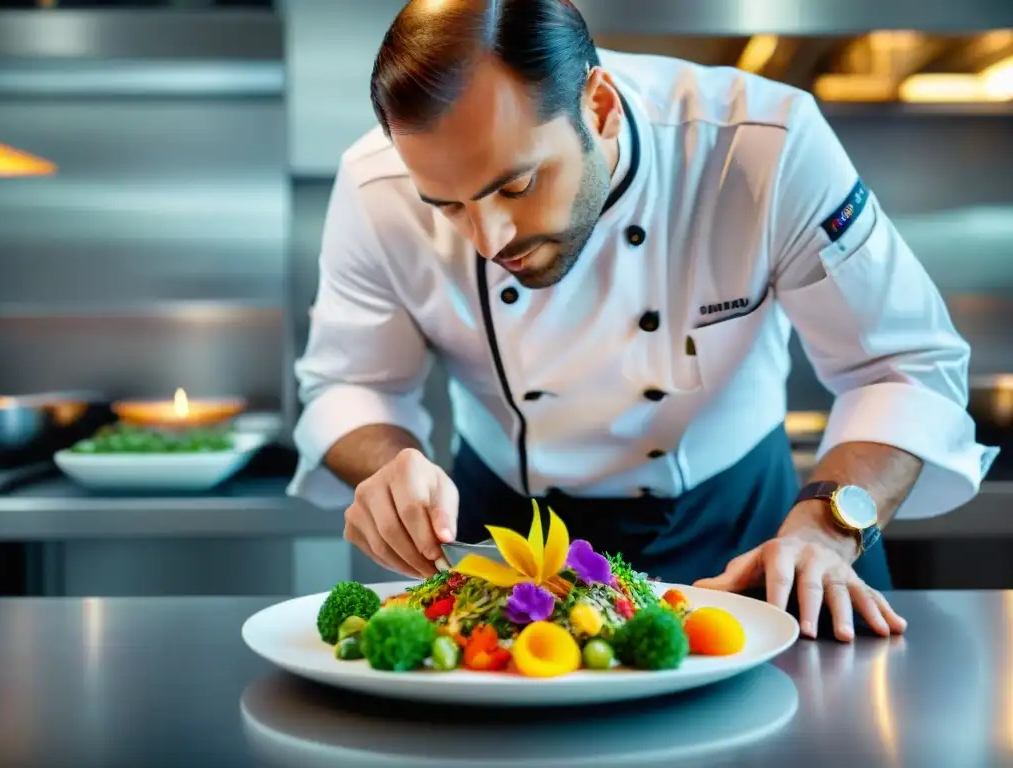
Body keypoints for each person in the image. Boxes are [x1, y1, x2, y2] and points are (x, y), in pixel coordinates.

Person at [289, 0, 998, 642]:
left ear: (596, 107)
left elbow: (902, 366)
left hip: (751, 536)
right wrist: (389, 468)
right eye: (447, 206)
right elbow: (353, 385)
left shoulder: (761, 144)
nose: (489, 238)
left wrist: (826, 531)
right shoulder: (373, 185)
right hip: (501, 548)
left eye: (516, 183)